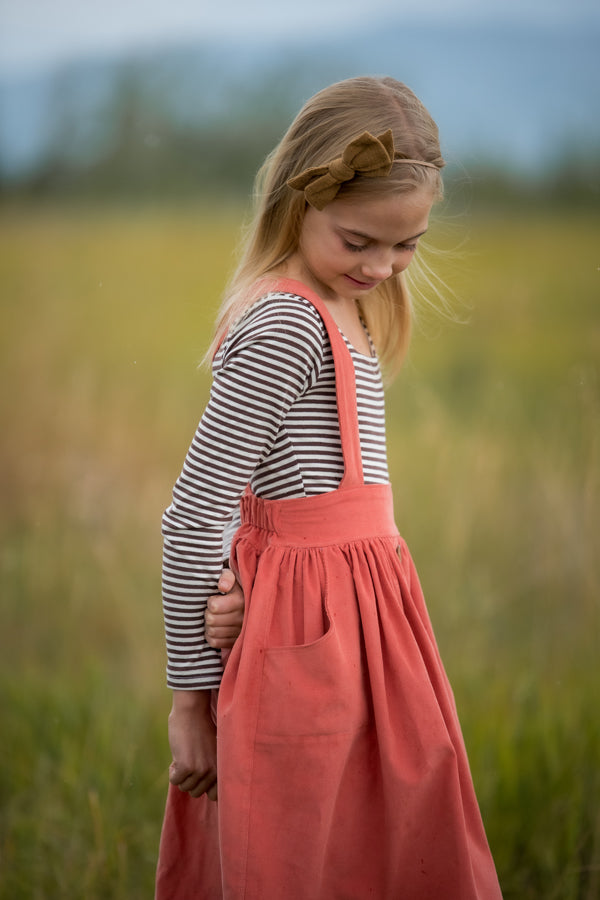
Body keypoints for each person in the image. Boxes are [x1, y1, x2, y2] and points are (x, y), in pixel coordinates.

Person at [155, 75, 502, 899]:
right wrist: (189, 692)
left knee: (380, 847)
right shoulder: (285, 323)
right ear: (295, 202)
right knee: (300, 854)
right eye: (358, 242)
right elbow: (198, 511)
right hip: (306, 643)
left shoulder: (348, 309)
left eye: (406, 243)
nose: (382, 266)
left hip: (364, 632)